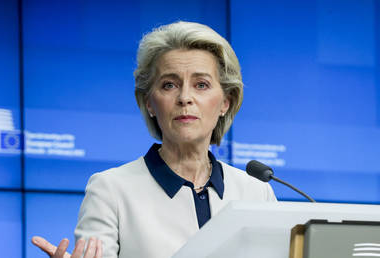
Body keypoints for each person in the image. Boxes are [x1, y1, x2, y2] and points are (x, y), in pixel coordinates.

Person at [32, 21, 277, 258]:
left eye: (201, 85)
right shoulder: (110, 191)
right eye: (169, 85)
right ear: (149, 102)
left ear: (225, 102)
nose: (184, 98)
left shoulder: (256, 193)